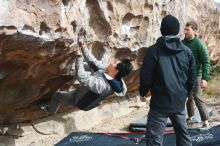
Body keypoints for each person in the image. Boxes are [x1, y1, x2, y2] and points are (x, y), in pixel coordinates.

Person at [139, 15, 196, 146]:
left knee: (154, 140)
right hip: (179, 101)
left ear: (161, 30)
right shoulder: (187, 52)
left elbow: (146, 76)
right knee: (183, 136)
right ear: (177, 31)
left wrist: (143, 92)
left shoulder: (153, 50)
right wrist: (186, 94)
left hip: (159, 102)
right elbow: (191, 78)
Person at [37, 43, 133, 113]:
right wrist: (83, 48)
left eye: (115, 63)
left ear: (116, 71)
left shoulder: (103, 86)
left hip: (80, 101)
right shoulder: (113, 75)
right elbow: (94, 63)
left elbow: (81, 76)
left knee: (57, 95)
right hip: (85, 93)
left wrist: (79, 57)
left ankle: (50, 110)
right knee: (90, 66)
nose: (112, 62)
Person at [182, 21, 211, 130]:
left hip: (197, 75)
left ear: (194, 30)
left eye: (187, 29)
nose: (185, 31)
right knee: (189, 98)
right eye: (185, 29)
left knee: (198, 97)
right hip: (186, 76)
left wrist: (205, 78)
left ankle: (206, 122)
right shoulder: (181, 43)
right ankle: (191, 117)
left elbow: (206, 61)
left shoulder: (199, 43)